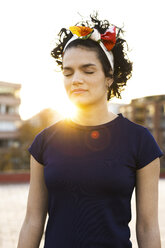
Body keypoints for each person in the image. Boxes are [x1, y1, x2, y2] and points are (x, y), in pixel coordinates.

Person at [17, 13, 163, 248]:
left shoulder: (140, 142)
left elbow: (147, 227)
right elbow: (33, 221)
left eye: (88, 70)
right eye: (68, 72)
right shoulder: (44, 142)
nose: (76, 79)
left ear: (109, 78)